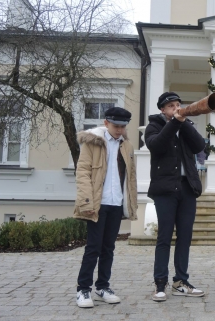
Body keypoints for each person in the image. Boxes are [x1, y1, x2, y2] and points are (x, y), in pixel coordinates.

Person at [145, 92, 206, 301]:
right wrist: (175, 123)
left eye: (178, 105)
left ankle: (181, 281)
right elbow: (157, 145)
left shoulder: (185, 125)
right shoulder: (154, 126)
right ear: (163, 109)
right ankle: (160, 283)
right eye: (171, 106)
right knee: (164, 238)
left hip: (187, 188)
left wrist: (184, 121)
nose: (176, 108)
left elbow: (199, 146)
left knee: (185, 237)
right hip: (165, 190)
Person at [74, 107, 138, 308]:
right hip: (97, 203)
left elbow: (131, 177)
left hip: (116, 203)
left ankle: (103, 286)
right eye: (116, 126)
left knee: (108, 248)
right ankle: (83, 289)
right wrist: (87, 202)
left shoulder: (126, 146)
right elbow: (83, 172)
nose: (119, 130)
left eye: (122, 126)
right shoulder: (92, 143)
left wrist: (130, 204)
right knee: (93, 247)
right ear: (106, 123)